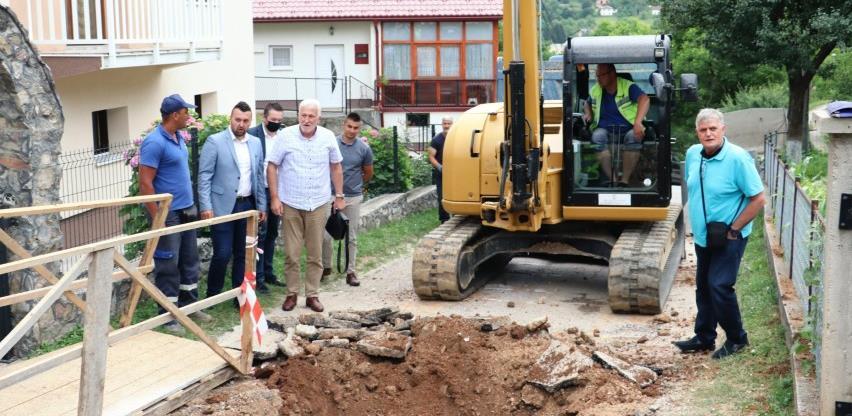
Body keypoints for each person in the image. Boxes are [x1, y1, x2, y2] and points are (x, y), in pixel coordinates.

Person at [674, 108, 766, 359]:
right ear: (697, 133)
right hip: (704, 236)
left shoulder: (737, 158)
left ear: (723, 130)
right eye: (703, 130)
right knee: (703, 286)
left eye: (713, 128)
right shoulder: (693, 154)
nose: (708, 133)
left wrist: (734, 229)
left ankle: (737, 339)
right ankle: (704, 337)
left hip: (729, 236)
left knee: (720, 285)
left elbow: (758, 199)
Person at [138, 94, 210, 332]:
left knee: (190, 259)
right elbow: (146, 184)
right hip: (167, 213)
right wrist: (157, 217)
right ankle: (168, 315)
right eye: (185, 112)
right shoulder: (154, 142)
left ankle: (189, 306)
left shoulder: (178, 137)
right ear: (174, 115)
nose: (189, 116)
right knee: (168, 262)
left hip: (186, 208)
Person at [267, 99, 345, 313]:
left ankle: (312, 295)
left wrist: (339, 195)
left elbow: (336, 167)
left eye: (311, 116)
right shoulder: (285, 136)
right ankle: (291, 294)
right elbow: (272, 166)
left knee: (315, 254)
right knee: (291, 253)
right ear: (298, 115)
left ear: (318, 118)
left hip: (318, 203)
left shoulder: (328, 137)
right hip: (291, 202)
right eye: (303, 115)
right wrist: (275, 197)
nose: (307, 119)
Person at [198, 102, 267, 299]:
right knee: (222, 253)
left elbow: (259, 177)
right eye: (238, 120)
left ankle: (240, 295)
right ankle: (213, 294)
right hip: (222, 206)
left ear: (250, 121)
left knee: (242, 253)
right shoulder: (215, 141)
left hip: (247, 205)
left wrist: (261, 205)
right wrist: (206, 206)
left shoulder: (254, 143)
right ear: (231, 118)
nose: (241, 124)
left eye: (245, 121)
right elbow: (204, 176)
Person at [321, 112, 374, 286]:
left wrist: (357, 185)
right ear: (344, 124)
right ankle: (326, 267)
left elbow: (368, 172)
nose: (352, 130)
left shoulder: (364, 149)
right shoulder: (332, 143)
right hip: (330, 195)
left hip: (353, 197)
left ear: (360, 128)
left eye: (356, 128)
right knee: (325, 235)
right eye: (349, 126)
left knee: (351, 237)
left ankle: (351, 271)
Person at [582, 63, 650, 187]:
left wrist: (638, 123)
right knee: (597, 137)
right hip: (605, 131)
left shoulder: (628, 86)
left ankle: (624, 181)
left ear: (612, 73)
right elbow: (587, 102)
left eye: (601, 75)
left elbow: (644, 99)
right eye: (596, 76)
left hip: (628, 128)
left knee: (633, 137)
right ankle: (612, 179)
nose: (598, 79)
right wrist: (588, 113)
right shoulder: (596, 89)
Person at [247, 102, 286, 293]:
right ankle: (258, 277)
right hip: (259, 191)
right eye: (273, 120)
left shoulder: (284, 136)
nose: (276, 123)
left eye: (279, 121)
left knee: (272, 233)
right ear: (264, 118)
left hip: (276, 191)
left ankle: (269, 272)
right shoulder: (253, 135)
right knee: (259, 235)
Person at [428, 117, 453, 223]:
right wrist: (440, 167)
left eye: (449, 123)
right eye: (444, 123)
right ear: (442, 124)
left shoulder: (457, 138)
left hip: (457, 173)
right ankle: (444, 220)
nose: (446, 125)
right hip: (441, 174)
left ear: (453, 124)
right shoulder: (436, 140)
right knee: (442, 197)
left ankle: (459, 217)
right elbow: (431, 157)